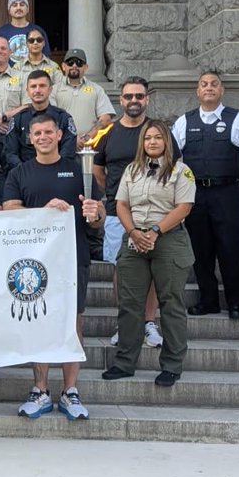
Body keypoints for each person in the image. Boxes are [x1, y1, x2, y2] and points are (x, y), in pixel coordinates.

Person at [2, 114, 104, 421]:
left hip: (74, 256)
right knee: (39, 322)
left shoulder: (78, 171)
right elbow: (9, 210)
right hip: (34, 262)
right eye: (37, 133)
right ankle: (41, 390)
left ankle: (70, 391)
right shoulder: (20, 172)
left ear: (59, 135)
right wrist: (41, 213)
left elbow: (98, 217)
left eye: (49, 131)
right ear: (30, 138)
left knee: (73, 322)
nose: (43, 136)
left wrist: (94, 211)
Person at [102, 120, 196, 387]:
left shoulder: (181, 171)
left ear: (167, 141)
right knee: (129, 304)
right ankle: (124, 362)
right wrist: (133, 232)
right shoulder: (133, 170)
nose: (152, 142)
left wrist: (155, 231)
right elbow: (120, 203)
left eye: (157, 137)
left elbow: (184, 207)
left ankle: (172, 365)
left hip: (168, 239)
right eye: (147, 138)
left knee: (171, 303)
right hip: (135, 239)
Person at [171, 70, 239, 320]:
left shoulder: (238, 119)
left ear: (221, 90)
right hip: (196, 195)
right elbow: (172, 159)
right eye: (204, 84)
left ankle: (236, 303)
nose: (209, 88)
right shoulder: (183, 122)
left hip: (227, 193)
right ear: (197, 91)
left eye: (214, 84)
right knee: (201, 251)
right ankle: (208, 301)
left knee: (231, 248)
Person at [92, 76, 171, 349]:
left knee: (150, 270)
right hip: (116, 213)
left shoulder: (158, 131)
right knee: (121, 271)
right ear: (121, 100)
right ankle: (125, 323)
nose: (134, 101)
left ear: (147, 99)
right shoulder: (109, 133)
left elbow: (174, 167)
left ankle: (149, 323)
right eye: (128, 96)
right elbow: (98, 170)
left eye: (139, 96)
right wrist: (117, 195)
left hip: (154, 215)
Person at [3, 72, 78, 169]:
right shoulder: (18, 119)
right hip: (26, 175)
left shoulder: (64, 118)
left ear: (50, 89)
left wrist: (53, 170)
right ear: (27, 91)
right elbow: (10, 153)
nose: (37, 90)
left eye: (42, 86)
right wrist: (25, 172)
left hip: (57, 173)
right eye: (33, 86)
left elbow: (68, 152)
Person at [53, 47, 115, 147]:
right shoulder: (53, 90)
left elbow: (105, 118)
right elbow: (51, 119)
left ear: (86, 67)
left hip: (91, 146)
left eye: (79, 63)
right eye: (70, 62)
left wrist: (87, 137)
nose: (74, 66)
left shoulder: (97, 89)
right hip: (61, 146)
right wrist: (71, 138)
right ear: (63, 66)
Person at [0, 0, 50, 66]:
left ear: (27, 9)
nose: (18, 8)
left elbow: (46, 56)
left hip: (34, 74)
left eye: (22, 5)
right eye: (14, 5)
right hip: (9, 75)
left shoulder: (38, 31)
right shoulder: (1, 33)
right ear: (9, 11)